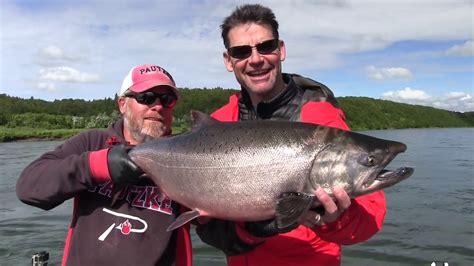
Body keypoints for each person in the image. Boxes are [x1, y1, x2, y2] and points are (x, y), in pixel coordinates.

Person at [196, 4, 386, 266]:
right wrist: (252, 231)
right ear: (229, 61)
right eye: (241, 51)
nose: (256, 59)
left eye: (265, 46)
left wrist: (336, 219)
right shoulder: (217, 124)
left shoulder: (321, 118)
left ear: (280, 49)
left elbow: (370, 220)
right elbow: (206, 228)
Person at [16, 64, 192, 266]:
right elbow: (29, 187)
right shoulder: (92, 143)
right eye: (147, 97)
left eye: (167, 100)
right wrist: (98, 165)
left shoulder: (186, 154)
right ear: (123, 104)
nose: (158, 106)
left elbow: (222, 237)